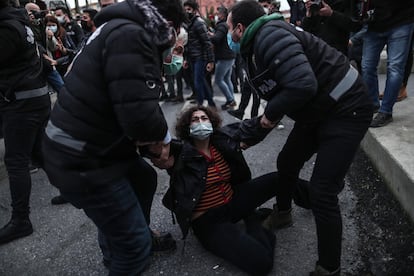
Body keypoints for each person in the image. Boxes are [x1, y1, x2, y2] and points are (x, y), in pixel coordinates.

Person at [227, 0, 373, 275]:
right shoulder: (255, 46)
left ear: (239, 28)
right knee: (287, 160)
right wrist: (252, 134)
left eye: (227, 27)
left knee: (322, 191)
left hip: (346, 106)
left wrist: (268, 116)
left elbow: (302, 85)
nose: (226, 34)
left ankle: (328, 268)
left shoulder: (270, 36)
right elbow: (281, 90)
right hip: (317, 109)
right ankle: (282, 213)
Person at [41, 0, 186, 274]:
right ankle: (127, 248)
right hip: (83, 156)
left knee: (143, 178)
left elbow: (130, 98)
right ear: (169, 26)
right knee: (133, 247)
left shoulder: (116, 28)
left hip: (86, 142)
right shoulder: (132, 35)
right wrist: (162, 146)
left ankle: (120, 244)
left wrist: (160, 142)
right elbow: (139, 114)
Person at [153, 106, 278, 276]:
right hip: (209, 222)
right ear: (188, 128)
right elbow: (154, 147)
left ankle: (317, 202)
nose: (200, 122)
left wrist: (275, 111)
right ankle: (253, 221)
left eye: (204, 119)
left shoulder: (220, 143)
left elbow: (250, 127)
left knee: (280, 178)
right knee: (261, 264)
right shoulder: (180, 152)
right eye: (195, 120)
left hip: (232, 202)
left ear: (211, 123)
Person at [0, 0, 51, 245]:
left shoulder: (7, 28)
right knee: (39, 153)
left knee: (16, 160)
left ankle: (21, 220)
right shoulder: (18, 22)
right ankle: (74, 190)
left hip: (21, 102)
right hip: (33, 97)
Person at [361, 0, 414, 127]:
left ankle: (386, 111)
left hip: (402, 20)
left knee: (395, 68)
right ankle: (373, 104)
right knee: (367, 66)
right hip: (374, 22)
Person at [183, 0, 216, 108]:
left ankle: (200, 105)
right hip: (192, 57)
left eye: (189, 9)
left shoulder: (198, 23)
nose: (187, 11)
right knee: (201, 81)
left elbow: (207, 43)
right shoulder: (189, 23)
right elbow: (189, 44)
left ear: (194, 10)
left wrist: (211, 61)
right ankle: (211, 104)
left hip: (200, 58)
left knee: (198, 83)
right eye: (185, 9)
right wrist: (186, 59)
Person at [209, 6, 236, 110]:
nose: (217, 15)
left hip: (224, 56)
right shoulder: (226, 25)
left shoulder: (221, 26)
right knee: (227, 79)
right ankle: (231, 100)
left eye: (218, 13)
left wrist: (209, 36)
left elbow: (216, 39)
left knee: (219, 80)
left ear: (223, 15)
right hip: (230, 55)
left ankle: (230, 100)